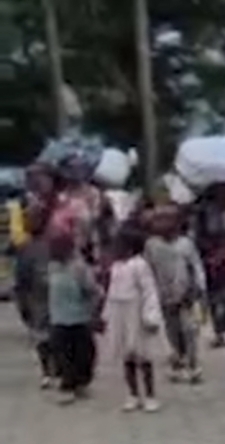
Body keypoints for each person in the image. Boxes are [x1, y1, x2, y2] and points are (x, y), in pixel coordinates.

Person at [103, 230, 170, 413]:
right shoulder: (115, 267)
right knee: (127, 356)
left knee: (144, 355)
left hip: (136, 314)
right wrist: (106, 315)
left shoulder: (140, 265)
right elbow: (111, 293)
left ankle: (150, 395)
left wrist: (151, 315)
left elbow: (149, 291)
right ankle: (132, 394)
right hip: (120, 314)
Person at [144, 204, 206, 384]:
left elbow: (196, 267)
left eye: (167, 219)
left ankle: (193, 363)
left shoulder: (186, 244)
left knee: (189, 329)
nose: (162, 223)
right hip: (163, 294)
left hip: (186, 293)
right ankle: (177, 360)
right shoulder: (152, 245)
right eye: (158, 220)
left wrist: (200, 290)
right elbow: (148, 269)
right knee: (171, 330)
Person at [14, 163, 58, 387]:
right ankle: (47, 371)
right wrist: (22, 301)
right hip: (37, 295)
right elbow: (21, 278)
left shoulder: (55, 240)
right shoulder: (26, 247)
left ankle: (58, 368)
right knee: (41, 333)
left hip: (58, 291)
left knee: (58, 331)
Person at [47, 233, 100, 404]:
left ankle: (81, 382)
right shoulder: (51, 267)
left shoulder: (79, 268)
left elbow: (92, 290)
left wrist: (93, 312)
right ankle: (67, 384)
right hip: (58, 318)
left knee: (83, 353)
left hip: (79, 317)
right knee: (62, 354)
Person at [195, 184, 225, 347]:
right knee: (216, 297)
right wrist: (211, 253)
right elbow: (199, 237)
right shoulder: (205, 213)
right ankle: (220, 330)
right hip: (212, 260)